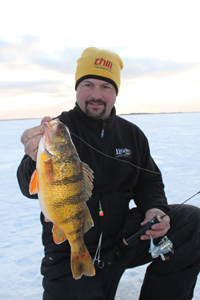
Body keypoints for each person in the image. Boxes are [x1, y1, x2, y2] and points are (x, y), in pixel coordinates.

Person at [17, 47, 200, 300]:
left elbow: (149, 180)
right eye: (88, 84)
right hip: (68, 247)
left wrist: (155, 208)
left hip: (122, 240)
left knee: (193, 224)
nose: (96, 95)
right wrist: (33, 157)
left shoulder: (131, 134)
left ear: (115, 92)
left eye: (106, 86)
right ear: (77, 89)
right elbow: (27, 185)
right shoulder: (58, 131)